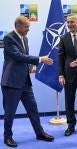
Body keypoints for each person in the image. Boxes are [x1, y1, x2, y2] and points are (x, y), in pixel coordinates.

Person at [1, 16, 54, 147]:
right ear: (18, 26)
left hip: (25, 82)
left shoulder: (25, 38)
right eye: (26, 27)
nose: (28, 29)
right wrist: (40, 59)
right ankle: (7, 137)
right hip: (12, 82)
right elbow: (18, 56)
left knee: (33, 109)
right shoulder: (8, 38)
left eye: (28, 27)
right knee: (10, 112)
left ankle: (39, 133)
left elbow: (24, 59)